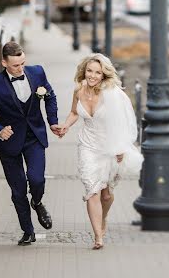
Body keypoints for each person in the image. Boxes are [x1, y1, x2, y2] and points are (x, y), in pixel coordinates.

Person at [59, 53, 143, 250]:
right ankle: (98, 236)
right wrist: (66, 126)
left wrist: (120, 147)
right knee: (92, 190)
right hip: (87, 146)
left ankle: (103, 217)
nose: (93, 75)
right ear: (84, 71)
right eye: (89, 71)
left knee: (106, 195)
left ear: (104, 75)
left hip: (110, 147)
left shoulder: (112, 93)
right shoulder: (79, 90)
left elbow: (123, 121)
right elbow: (74, 112)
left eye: (97, 72)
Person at [0, 41, 61, 246]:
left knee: (36, 179)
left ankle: (37, 202)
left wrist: (52, 122)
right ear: (4, 63)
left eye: (23, 64)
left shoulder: (37, 73)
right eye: (16, 65)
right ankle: (28, 231)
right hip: (9, 144)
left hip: (34, 137)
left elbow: (50, 97)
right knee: (18, 191)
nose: (21, 69)